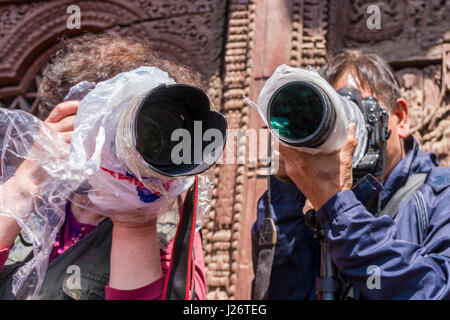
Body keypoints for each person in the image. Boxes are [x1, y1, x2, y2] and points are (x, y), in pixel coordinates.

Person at [0, 33, 207, 300]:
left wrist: (134, 221)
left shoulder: (166, 226)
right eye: (93, 121)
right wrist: (26, 183)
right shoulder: (37, 205)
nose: (105, 141)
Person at [252, 51, 450, 300]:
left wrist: (341, 210)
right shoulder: (324, 216)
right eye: (336, 112)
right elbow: (277, 293)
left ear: (400, 118)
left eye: (357, 107)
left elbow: (435, 291)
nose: (349, 131)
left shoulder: (440, 198)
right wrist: (286, 187)